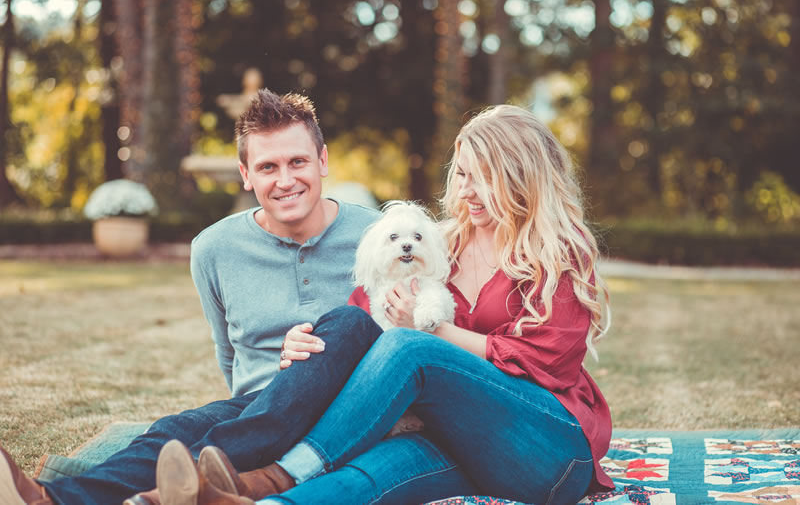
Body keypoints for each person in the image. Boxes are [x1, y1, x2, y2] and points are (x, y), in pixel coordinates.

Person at [149, 104, 615, 505]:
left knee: (411, 348)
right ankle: (251, 494)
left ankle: (281, 472)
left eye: (483, 178)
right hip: (464, 438)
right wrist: (311, 342)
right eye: (464, 175)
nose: (467, 191)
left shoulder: (558, 254)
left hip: (548, 448)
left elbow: (547, 361)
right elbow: (364, 316)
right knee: (369, 471)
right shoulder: (443, 245)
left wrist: (437, 333)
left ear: (521, 177)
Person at [0, 88, 401, 505]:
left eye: (297, 161)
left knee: (349, 323)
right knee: (175, 429)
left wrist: (318, 365)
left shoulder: (380, 235)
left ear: (322, 161)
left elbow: (405, 334)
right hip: (252, 408)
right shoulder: (213, 248)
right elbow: (227, 351)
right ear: (246, 175)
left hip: (348, 410)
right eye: (267, 167)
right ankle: (52, 499)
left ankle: (184, 484)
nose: (285, 180)